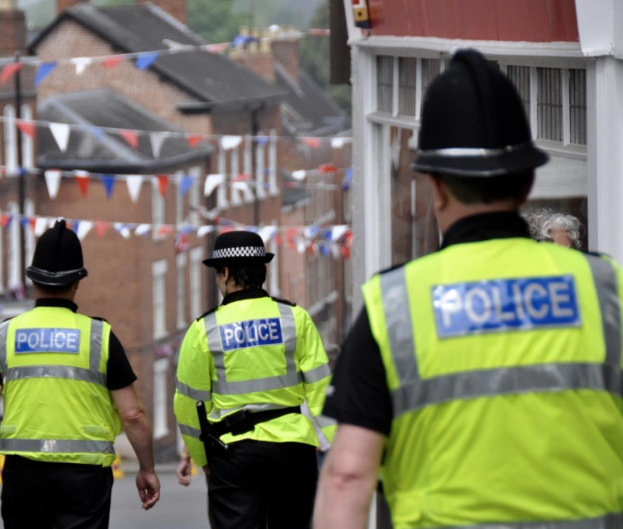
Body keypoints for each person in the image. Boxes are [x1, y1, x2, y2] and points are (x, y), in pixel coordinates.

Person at [314, 48, 623, 529]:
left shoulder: (394, 307)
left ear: (435, 186)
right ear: (526, 185)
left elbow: (347, 476)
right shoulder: (606, 290)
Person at [0, 218, 160, 529]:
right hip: (85, 479)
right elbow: (133, 414)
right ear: (78, 281)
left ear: (32, 280)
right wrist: (147, 469)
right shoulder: (100, 337)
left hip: (22, 475)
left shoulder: (4, 336)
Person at [174, 230, 336, 529]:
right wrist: (338, 450)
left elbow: (188, 403)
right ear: (262, 270)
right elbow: (321, 388)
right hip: (293, 450)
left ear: (224, 273)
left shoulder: (203, 330)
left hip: (235, 454)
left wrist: (201, 457)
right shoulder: (294, 318)